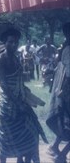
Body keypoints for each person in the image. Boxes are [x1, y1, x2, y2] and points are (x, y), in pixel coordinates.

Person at [0, 27, 46, 163]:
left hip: (19, 100)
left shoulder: (16, 58)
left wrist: (26, 96)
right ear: (5, 42)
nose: (13, 45)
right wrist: (18, 103)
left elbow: (19, 79)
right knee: (5, 140)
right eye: (10, 42)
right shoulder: (0, 59)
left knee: (31, 135)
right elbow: (4, 85)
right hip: (6, 105)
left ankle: (22, 160)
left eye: (15, 42)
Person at [47, 23, 70, 162]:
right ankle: (60, 155)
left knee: (65, 122)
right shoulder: (67, 49)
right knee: (65, 122)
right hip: (66, 93)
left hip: (64, 92)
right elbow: (68, 75)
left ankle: (55, 147)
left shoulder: (65, 48)